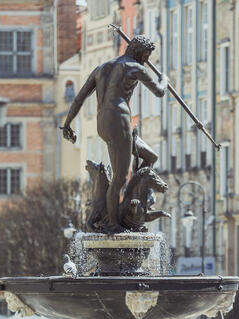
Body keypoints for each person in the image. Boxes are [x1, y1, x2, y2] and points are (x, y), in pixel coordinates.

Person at [61, 35, 169, 232]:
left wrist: (67, 124)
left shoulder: (101, 68)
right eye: (146, 55)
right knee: (119, 177)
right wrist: (164, 79)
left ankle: (133, 204)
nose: (146, 60)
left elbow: (79, 99)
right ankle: (113, 223)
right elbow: (159, 91)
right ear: (138, 52)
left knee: (150, 157)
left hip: (103, 122)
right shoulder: (135, 68)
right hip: (119, 121)